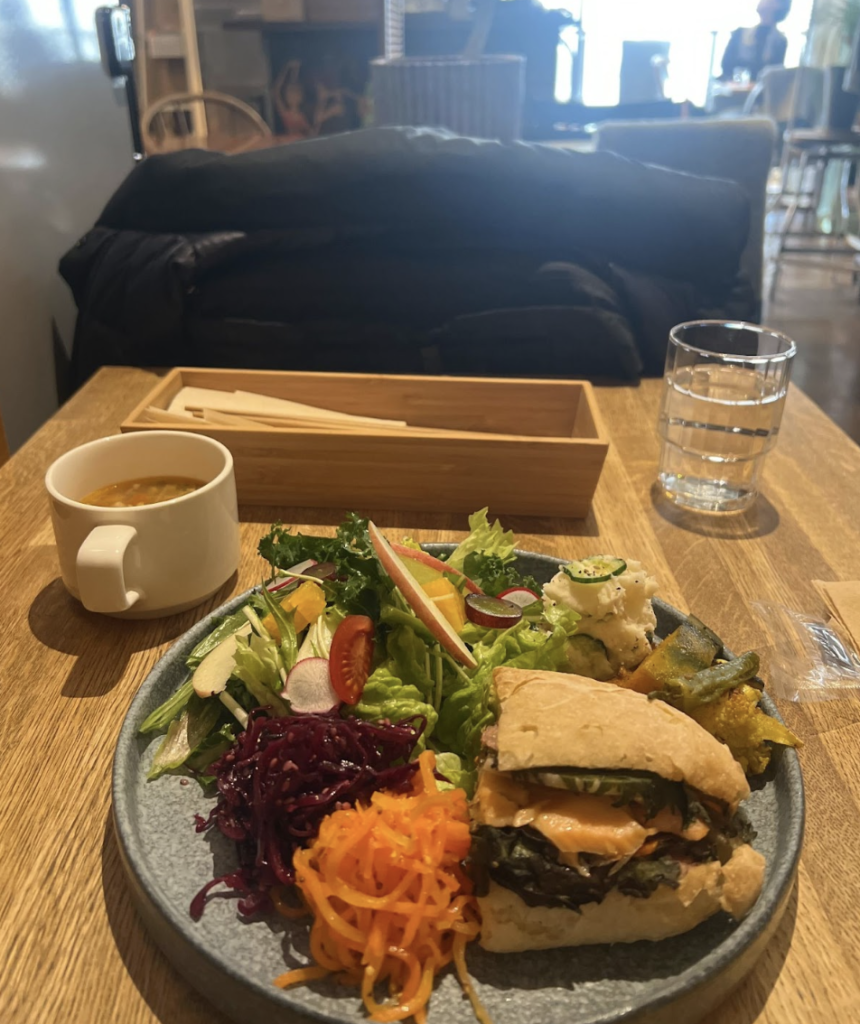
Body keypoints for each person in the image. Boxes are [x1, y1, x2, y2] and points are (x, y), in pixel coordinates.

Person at [719, 0, 790, 83]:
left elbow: (773, 74)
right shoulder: (740, 33)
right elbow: (726, 66)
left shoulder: (779, 41)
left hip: (758, 89)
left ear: (778, 5)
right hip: (733, 86)